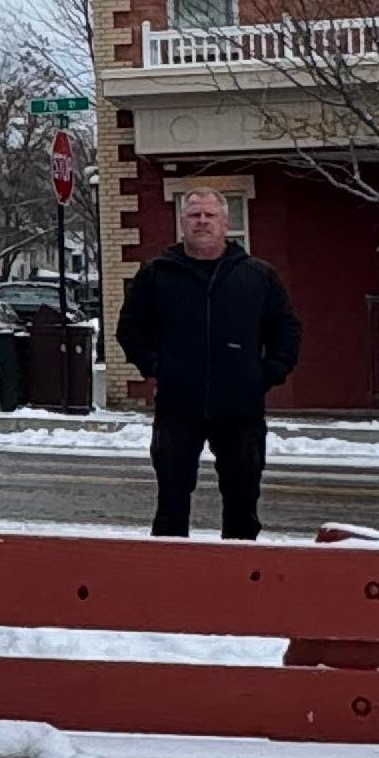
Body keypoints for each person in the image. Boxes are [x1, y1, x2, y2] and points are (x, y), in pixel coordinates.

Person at [114, 185, 302, 539]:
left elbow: (287, 330)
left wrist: (269, 372)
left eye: (209, 215)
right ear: (182, 222)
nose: (202, 222)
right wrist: (156, 367)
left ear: (225, 222)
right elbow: (130, 329)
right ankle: (171, 581)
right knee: (171, 505)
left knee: (243, 506)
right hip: (177, 408)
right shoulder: (157, 275)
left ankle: (240, 585)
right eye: (194, 215)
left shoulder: (257, 276)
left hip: (240, 409)